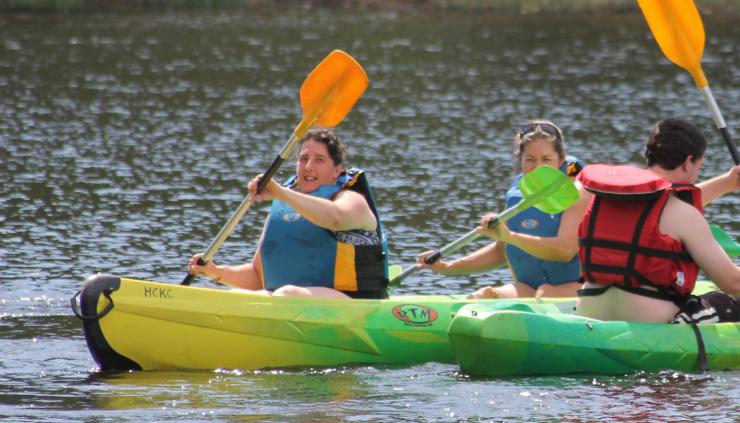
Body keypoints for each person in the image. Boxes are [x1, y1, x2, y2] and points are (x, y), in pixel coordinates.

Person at [574, 117, 740, 324]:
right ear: (688, 162)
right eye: (699, 167)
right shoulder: (682, 214)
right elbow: (733, 282)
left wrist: (728, 182)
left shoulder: (602, 199)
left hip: (591, 315)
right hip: (652, 326)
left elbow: (657, 214)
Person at [187, 129, 389, 299]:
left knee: (286, 295)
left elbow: (335, 218)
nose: (308, 166)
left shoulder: (352, 199)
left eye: (319, 160)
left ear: (337, 170)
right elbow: (258, 276)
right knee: (237, 296)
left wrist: (281, 192)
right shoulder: (285, 205)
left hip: (354, 303)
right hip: (291, 302)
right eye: (303, 159)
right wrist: (216, 272)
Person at [416, 119, 585, 299]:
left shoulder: (578, 192)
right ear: (520, 160)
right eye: (530, 159)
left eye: (546, 159)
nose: (538, 167)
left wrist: (509, 236)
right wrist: (448, 267)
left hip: (576, 289)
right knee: (485, 296)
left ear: (561, 161)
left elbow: (564, 251)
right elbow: (501, 251)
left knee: (545, 293)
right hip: (528, 288)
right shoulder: (517, 194)